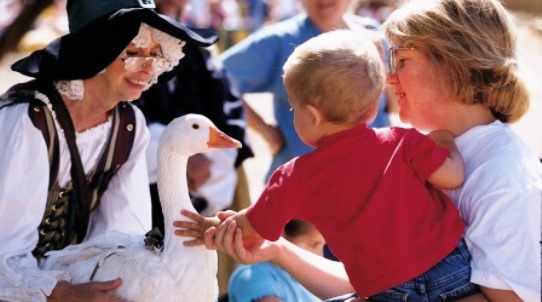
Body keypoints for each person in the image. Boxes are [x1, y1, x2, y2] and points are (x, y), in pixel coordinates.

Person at [190, 0, 542, 301]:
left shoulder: (502, 175)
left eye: (400, 60)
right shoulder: (417, 147)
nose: (388, 78)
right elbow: (391, 278)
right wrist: (280, 251)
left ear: (451, 63)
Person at [0, 0, 217, 300]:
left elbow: (119, 236)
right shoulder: (28, 120)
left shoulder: (129, 125)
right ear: (94, 52)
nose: (149, 67)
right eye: (133, 53)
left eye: (156, 53)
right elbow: (3, 250)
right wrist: (58, 292)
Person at [220, 0, 392, 181]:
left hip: (373, 177)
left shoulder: (372, 33)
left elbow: (392, 105)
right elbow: (220, 76)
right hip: (306, 181)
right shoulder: (280, 38)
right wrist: (267, 133)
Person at [228, 220, 325, 302]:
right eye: (312, 244)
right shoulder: (255, 276)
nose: (320, 255)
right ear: (281, 233)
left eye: (323, 246)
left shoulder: (303, 279)